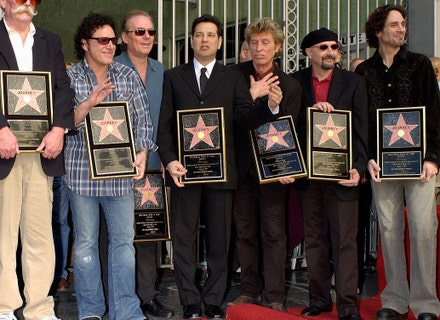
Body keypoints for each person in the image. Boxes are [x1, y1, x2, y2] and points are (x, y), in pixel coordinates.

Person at [0, 0, 75, 318]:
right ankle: (4, 306)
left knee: (39, 233)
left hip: (42, 152)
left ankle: (40, 307)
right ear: (2, 2)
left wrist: (58, 129)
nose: (25, 4)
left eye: (31, 0)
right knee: (2, 233)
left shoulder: (50, 41)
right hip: (1, 150)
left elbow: (62, 89)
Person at [157, 14, 250, 319]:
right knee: (183, 238)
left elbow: (244, 119)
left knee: (220, 238)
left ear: (220, 42)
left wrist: (266, 105)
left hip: (221, 173)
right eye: (199, 34)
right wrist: (170, 159)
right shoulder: (173, 77)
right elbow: (165, 124)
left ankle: (213, 299)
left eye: (211, 35)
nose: (205, 40)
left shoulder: (233, 77)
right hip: (184, 172)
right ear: (193, 40)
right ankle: (189, 301)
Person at [66, 12, 155, 320]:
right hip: (81, 174)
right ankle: (90, 311)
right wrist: (89, 102)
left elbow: (144, 123)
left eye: (112, 40)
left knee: (124, 244)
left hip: (120, 176)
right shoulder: (71, 77)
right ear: (85, 44)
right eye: (101, 40)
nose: (109, 45)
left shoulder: (127, 76)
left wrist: (142, 153)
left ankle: (126, 311)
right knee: (87, 245)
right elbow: (64, 124)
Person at [355, 5, 440, 320]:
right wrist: (367, 160)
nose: (401, 30)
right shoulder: (364, 71)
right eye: (394, 25)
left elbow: (434, 113)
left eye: (403, 24)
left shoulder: (419, 65)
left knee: (423, 229)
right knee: (389, 229)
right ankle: (393, 300)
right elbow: (360, 121)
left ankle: (426, 305)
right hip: (381, 167)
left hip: (420, 166)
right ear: (378, 31)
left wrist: (433, 158)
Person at [291, 27, 368, 320]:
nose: (330, 52)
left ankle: (348, 306)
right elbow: (288, 124)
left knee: (346, 241)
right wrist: (312, 110)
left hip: (342, 176)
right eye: (323, 47)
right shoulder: (295, 82)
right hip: (310, 177)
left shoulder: (353, 82)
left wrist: (359, 168)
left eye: (334, 47)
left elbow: (363, 128)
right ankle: (319, 299)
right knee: (315, 239)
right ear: (308, 52)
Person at [227, 17, 301, 313]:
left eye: (265, 43)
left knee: (274, 233)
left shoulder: (291, 86)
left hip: (274, 173)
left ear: (278, 47)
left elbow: (291, 129)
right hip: (242, 169)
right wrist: (262, 102)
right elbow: (237, 121)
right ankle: (249, 291)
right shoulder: (234, 77)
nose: (258, 48)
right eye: (254, 42)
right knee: (244, 232)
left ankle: (275, 296)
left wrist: (285, 167)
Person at [114, 9, 173, 318]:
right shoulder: (111, 68)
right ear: (124, 37)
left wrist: (165, 156)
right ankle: (119, 296)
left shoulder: (161, 70)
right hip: (116, 167)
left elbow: (165, 119)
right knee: (118, 235)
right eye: (139, 32)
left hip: (152, 165)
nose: (147, 37)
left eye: (150, 32)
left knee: (149, 234)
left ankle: (147, 296)